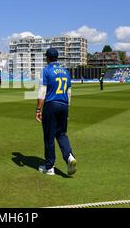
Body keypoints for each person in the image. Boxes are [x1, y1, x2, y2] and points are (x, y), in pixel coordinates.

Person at [36, 48, 77, 176]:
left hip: (51, 105)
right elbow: (69, 92)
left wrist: (38, 109)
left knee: (49, 136)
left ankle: (49, 167)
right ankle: (69, 157)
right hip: (64, 105)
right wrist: (67, 109)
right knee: (61, 134)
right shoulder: (65, 71)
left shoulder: (46, 70)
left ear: (47, 58)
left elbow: (43, 91)